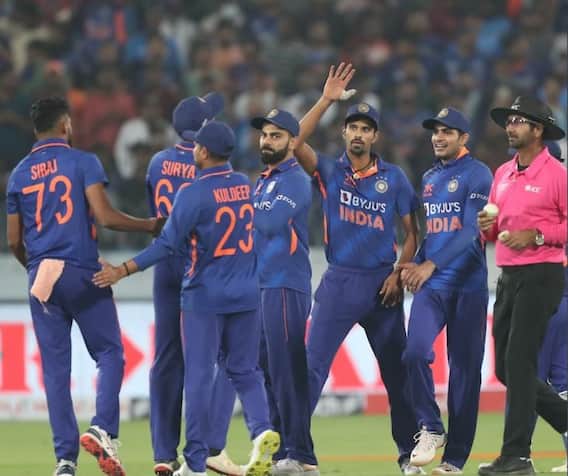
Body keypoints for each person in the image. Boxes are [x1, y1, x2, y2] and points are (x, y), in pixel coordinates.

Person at [92, 120, 280, 476]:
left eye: (196, 146)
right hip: (246, 293)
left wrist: (122, 270)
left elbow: (166, 245)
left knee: (198, 376)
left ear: (204, 151)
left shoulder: (193, 193)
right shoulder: (245, 184)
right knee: (246, 370)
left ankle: (194, 462)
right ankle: (261, 431)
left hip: (204, 297)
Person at [6, 96, 163, 476]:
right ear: (66, 126)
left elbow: (13, 239)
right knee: (110, 353)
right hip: (81, 270)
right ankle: (102, 428)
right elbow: (105, 217)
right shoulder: (83, 161)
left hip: (42, 277)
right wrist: (149, 225)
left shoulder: (18, 174)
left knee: (54, 371)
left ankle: (65, 461)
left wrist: (37, 269)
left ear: (35, 130)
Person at [293, 62, 423, 475]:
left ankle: (408, 456)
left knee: (398, 377)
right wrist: (325, 100)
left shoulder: (394, 178)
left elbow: (412, 234)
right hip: (340, 281)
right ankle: (297, 455)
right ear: (344, 132)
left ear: (375, 136)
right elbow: (293, 142)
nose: (359, 134)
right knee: (311, 370)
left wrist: (399, 272)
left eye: (367, 129)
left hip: (383, 286)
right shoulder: (329, 171)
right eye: (353, 127)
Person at [145, 93, 240, 476]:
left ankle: (163, 452)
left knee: (166, 358)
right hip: (202, 267)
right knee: (222, 359)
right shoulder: (213, 165)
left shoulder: (158, 162)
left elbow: (157, 218)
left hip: (165, 265)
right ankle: (208, 447)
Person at [398, 108, 493, 475]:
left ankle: (454, 461)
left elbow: (470, 231)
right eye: (435, 131)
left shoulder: (478, 173)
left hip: (468, 285)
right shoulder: (429, 177)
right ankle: (431, 427)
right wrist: (415, 263)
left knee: (465, 374)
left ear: (463, 138)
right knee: (414, 352)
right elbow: (435, 231)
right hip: (434, 285)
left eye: (447, 132)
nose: (438, 137)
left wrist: (429, 265)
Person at [477, 96, 567, 476]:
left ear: (538, 129)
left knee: (518, 362)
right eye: (509, 121)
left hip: (542, 274)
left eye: (518, 121)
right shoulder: (502, 173)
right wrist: (487, 227)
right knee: (505, 368)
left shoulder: (557, 174)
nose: (510, 127)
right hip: (508, 276)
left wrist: (538, 236)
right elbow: (496, 230)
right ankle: (563, 419)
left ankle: (516, 456)